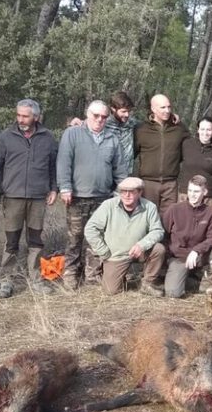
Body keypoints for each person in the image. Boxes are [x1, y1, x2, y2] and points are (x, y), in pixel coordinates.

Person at [0, 98, 58, 299]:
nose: (21, 119)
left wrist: (53, 189)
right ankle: (6, 280)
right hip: (13, 196)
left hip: (38, 198)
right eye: (19, 115)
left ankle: (36, 279)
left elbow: (53, 166)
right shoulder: (6, 136)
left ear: (36, 116)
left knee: (35, 240)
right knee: (11, 240)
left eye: (25, 115)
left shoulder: (47, 137)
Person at [57, 100, 126, 290]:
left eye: (104, 117)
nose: (100, 120)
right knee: (75, 238)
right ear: (88, 115)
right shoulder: (72, 134)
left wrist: (122, 191)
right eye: (96, 116)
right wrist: (65, 188)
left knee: (96, 238)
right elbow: (64, 162)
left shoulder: (112, 139)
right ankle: (71, 273)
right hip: (78, 196)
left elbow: (119, 169)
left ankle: (92, 274)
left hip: (103, 197)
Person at [84, 176, 166, 296]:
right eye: (123, 191)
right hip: (115, 255)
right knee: (111, 291)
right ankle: (111, 274)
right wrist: (104, 251)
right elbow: (90, 229)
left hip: (139, 251)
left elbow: (157, 230)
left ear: (140, 193)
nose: (127, 195)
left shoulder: (149, 207)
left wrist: (141, 245)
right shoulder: (108, 205)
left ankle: (148, 283)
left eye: (132, 192)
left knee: (159, 249)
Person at [162, 175, 212, 298]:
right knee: (173, 293)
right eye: (190, 191)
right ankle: (188, 279)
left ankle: (208, 281)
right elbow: (163, 234)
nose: (192, 195)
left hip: (200, 255)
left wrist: (196, 251)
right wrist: (168, 255)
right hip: (179, 257)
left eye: (197, 191)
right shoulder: (175, 209)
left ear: (205, 192)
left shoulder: (210, 212)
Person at [134, 93, 189, 217]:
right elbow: (129, 153)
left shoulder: (179, 128)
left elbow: (191, 148)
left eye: (169, 107)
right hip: (148, 184)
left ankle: (166, 238)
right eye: (163, 107)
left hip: (170, 184)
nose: (167, 110)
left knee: (168, 220)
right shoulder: (140, 129)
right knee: (146, 219)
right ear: (153, 109)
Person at [178, 117, 212, 206]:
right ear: (198, 129)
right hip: (186, 194)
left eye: (208, 130)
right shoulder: (187, 144)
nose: (205, 133)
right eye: (202, 129)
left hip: (208, 198)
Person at [105, 91, 138, 176]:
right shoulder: (103, 125)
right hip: (107, 173)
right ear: (113, 109)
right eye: (123, 111)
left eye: (129, 111)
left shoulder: (132, 123)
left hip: (126, 173)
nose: (127, 114)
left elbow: (150, 125)